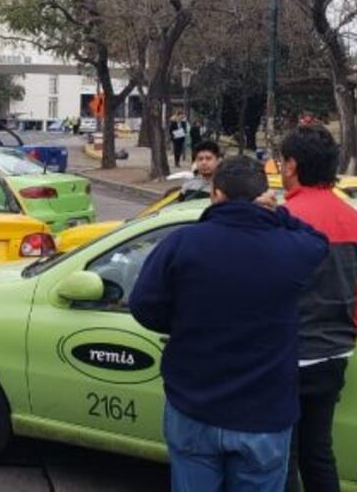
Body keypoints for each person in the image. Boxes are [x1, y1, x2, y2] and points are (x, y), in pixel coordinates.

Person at [129, 155, 328, 492]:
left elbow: (144, 307)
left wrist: (182, 322)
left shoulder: (182, 243)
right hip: (264, 415)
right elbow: (319, 240)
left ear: (215, 194)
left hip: (193, 407)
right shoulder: (290, 249)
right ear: (263, 196)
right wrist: (277, 214)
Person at [279, 125, 357, 492]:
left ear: (292, 165)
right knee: (318, 451)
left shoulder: (285, 219)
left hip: (287, 355)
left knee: (282, 454)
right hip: (334, 353)